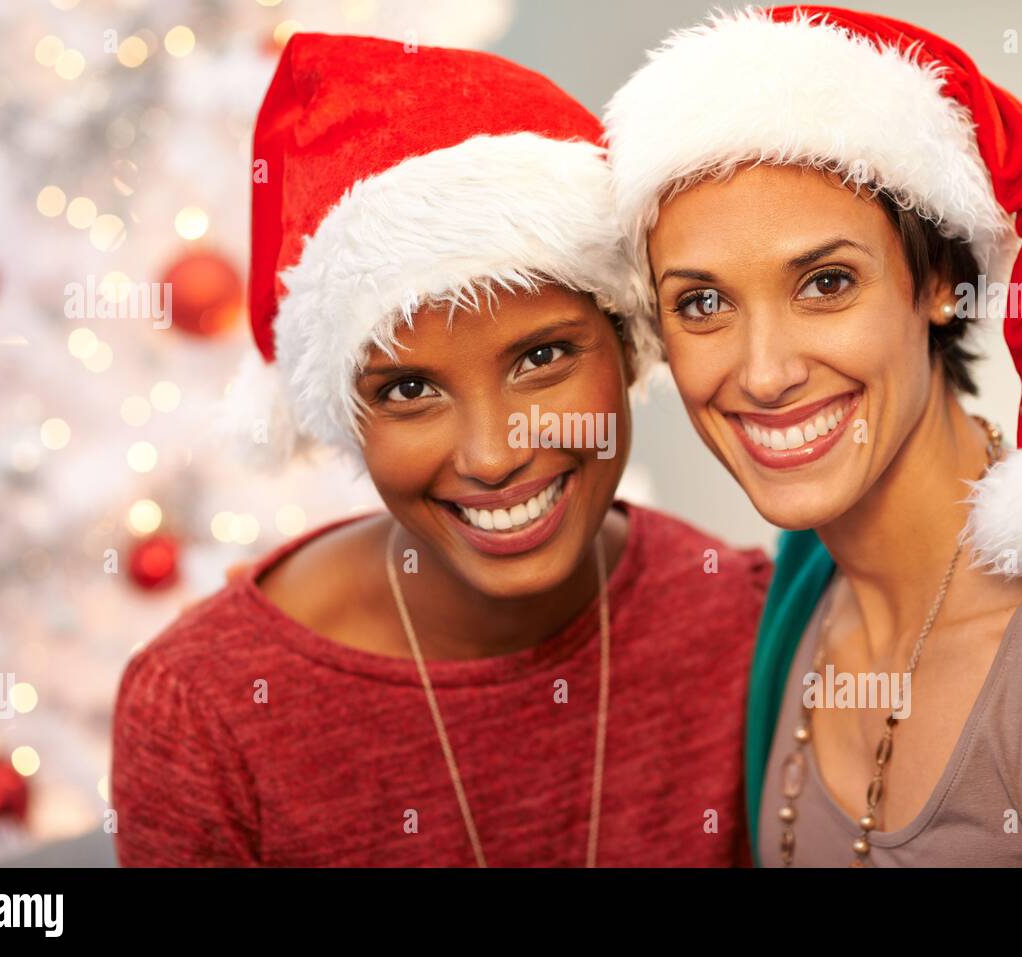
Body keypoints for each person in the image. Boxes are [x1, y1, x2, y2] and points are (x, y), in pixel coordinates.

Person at [110, 33, 770, 867]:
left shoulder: (740, 621)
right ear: (345, 414)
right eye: (407, 390)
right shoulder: (205, 707)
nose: (492, 455)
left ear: (628, 339)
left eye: (542, 358)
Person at [603, 6, 1022, 866]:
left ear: (938, 280)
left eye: (825, 282)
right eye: (702, 303)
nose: (765, 371)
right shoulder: (803, 576)